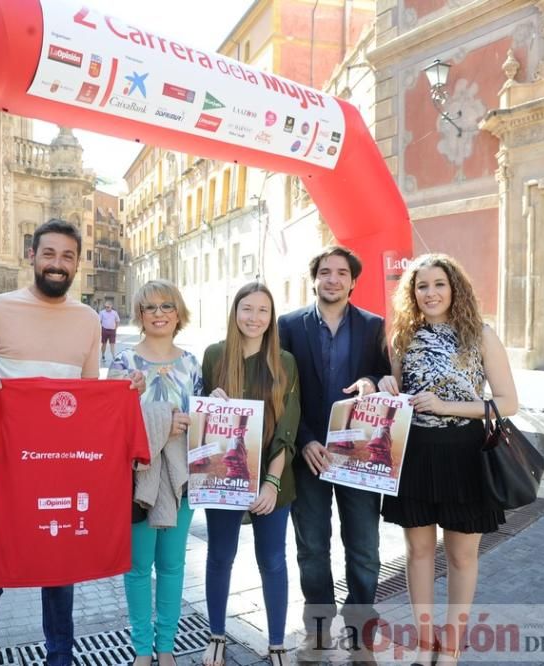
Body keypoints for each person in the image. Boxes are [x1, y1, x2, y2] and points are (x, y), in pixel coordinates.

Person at [0, 219, 145, 666]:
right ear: (32, 256)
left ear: (76, 264)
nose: (57, 264)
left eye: (67, 256)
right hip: (5, 465)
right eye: (49, 254)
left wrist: (121, 389)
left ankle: (59, 657)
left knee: (62, 568)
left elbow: (81, 399)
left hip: (62, 467)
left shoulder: (86, 321)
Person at [377, 253, 517, 665]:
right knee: (418, 553)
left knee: (461, 555)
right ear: (412, 293)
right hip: (415, 455)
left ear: (454, 288)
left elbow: (508, 403)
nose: (431, 293)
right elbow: (400, 398)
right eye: (422, 286)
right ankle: (424, 644)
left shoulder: (481, 336)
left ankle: (451, 647)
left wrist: (446, 406)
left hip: (466, 454)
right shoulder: (402, 337)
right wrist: (387, 385)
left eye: (439, 284)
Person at [276, 246, 391, 648]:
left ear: (353, 281)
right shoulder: (288, 326)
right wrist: (305, 439)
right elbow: (281, 393)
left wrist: (372, 383)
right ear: (314, 279)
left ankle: (361, 629)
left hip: (358, 459)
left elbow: (385, 375)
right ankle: (319, 628)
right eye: (325, 271)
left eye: (342, 272)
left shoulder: (374, 326)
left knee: (364, 549)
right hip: (309, 457)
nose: (333, 279)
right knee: (312, 548)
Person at [200, 282, 300, 666]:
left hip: (274, 478)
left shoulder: (285, 362)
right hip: (224, 476)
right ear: (234, 312)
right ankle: (216, 637)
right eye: (247, 309)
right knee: (219, 557)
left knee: (273, 560)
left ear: (271, 317)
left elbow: (288, 427)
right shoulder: (214, 356)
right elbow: (201, 422)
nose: (254, 318)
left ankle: (276, 644)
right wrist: (209, 404)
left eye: (263, 310)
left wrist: (273, 482)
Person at [107, 280, 201, 666]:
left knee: (173, 566)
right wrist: (132, 401)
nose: (159, 313)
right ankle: (142, 650)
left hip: (180, 479)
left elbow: (203, 421)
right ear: (139, 315)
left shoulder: (192, 362)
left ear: (178, 312)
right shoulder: (124, 363)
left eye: (166, 306)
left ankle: (166, 647)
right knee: (138, 568)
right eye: (150, 308)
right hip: (137, 479)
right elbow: (110, 422)